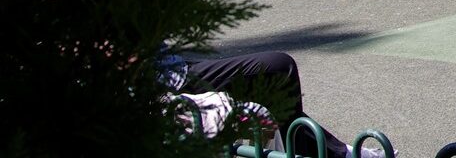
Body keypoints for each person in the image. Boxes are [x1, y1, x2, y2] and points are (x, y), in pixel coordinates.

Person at [164, 50, 389, 158]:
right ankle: (334, 153)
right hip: (170, 82)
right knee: (278, 68)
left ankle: (336, 152)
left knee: (277, 74)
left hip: (175, 68)